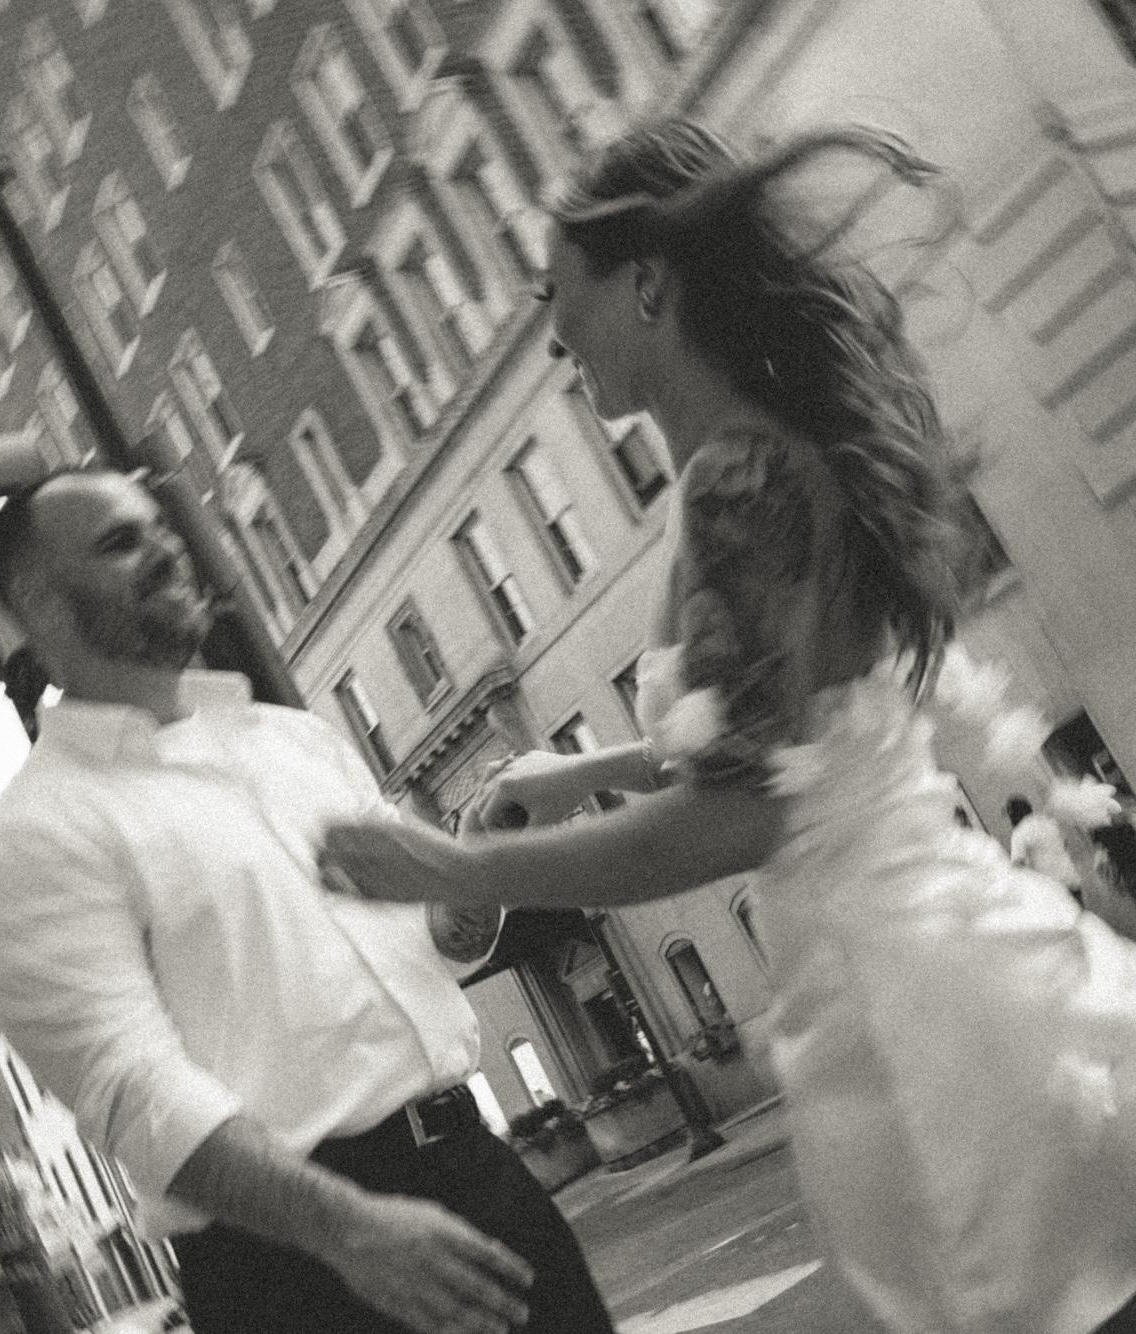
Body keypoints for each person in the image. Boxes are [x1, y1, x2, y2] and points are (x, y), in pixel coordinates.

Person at [320, 116, 1136, 1333]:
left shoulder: (737, 484)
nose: (551, 332)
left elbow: (741, 812)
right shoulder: (741, 462)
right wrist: (579, 772)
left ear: (644, 283)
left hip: (919, 1006)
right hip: (920, 965)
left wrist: (452, 867)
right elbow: (793, 735)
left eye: (555, 290)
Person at [0, 469, 616, 1334]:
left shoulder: (294, 741)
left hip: (481, 1181)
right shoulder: (34, 838)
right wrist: (349, 1230)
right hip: (295, 1272)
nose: (166, 550)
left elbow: (440, 944)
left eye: (160, 529)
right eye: (121, 543)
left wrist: (475, 862)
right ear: (42, 605)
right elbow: (135, 1093)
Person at [1007, 794, 1084, 901]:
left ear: (1013, 815)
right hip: (1071, 879)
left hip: (1051, 889)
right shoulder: (1049, 822)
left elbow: (1018, 864)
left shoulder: (1019, 833)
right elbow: (1064, 844)